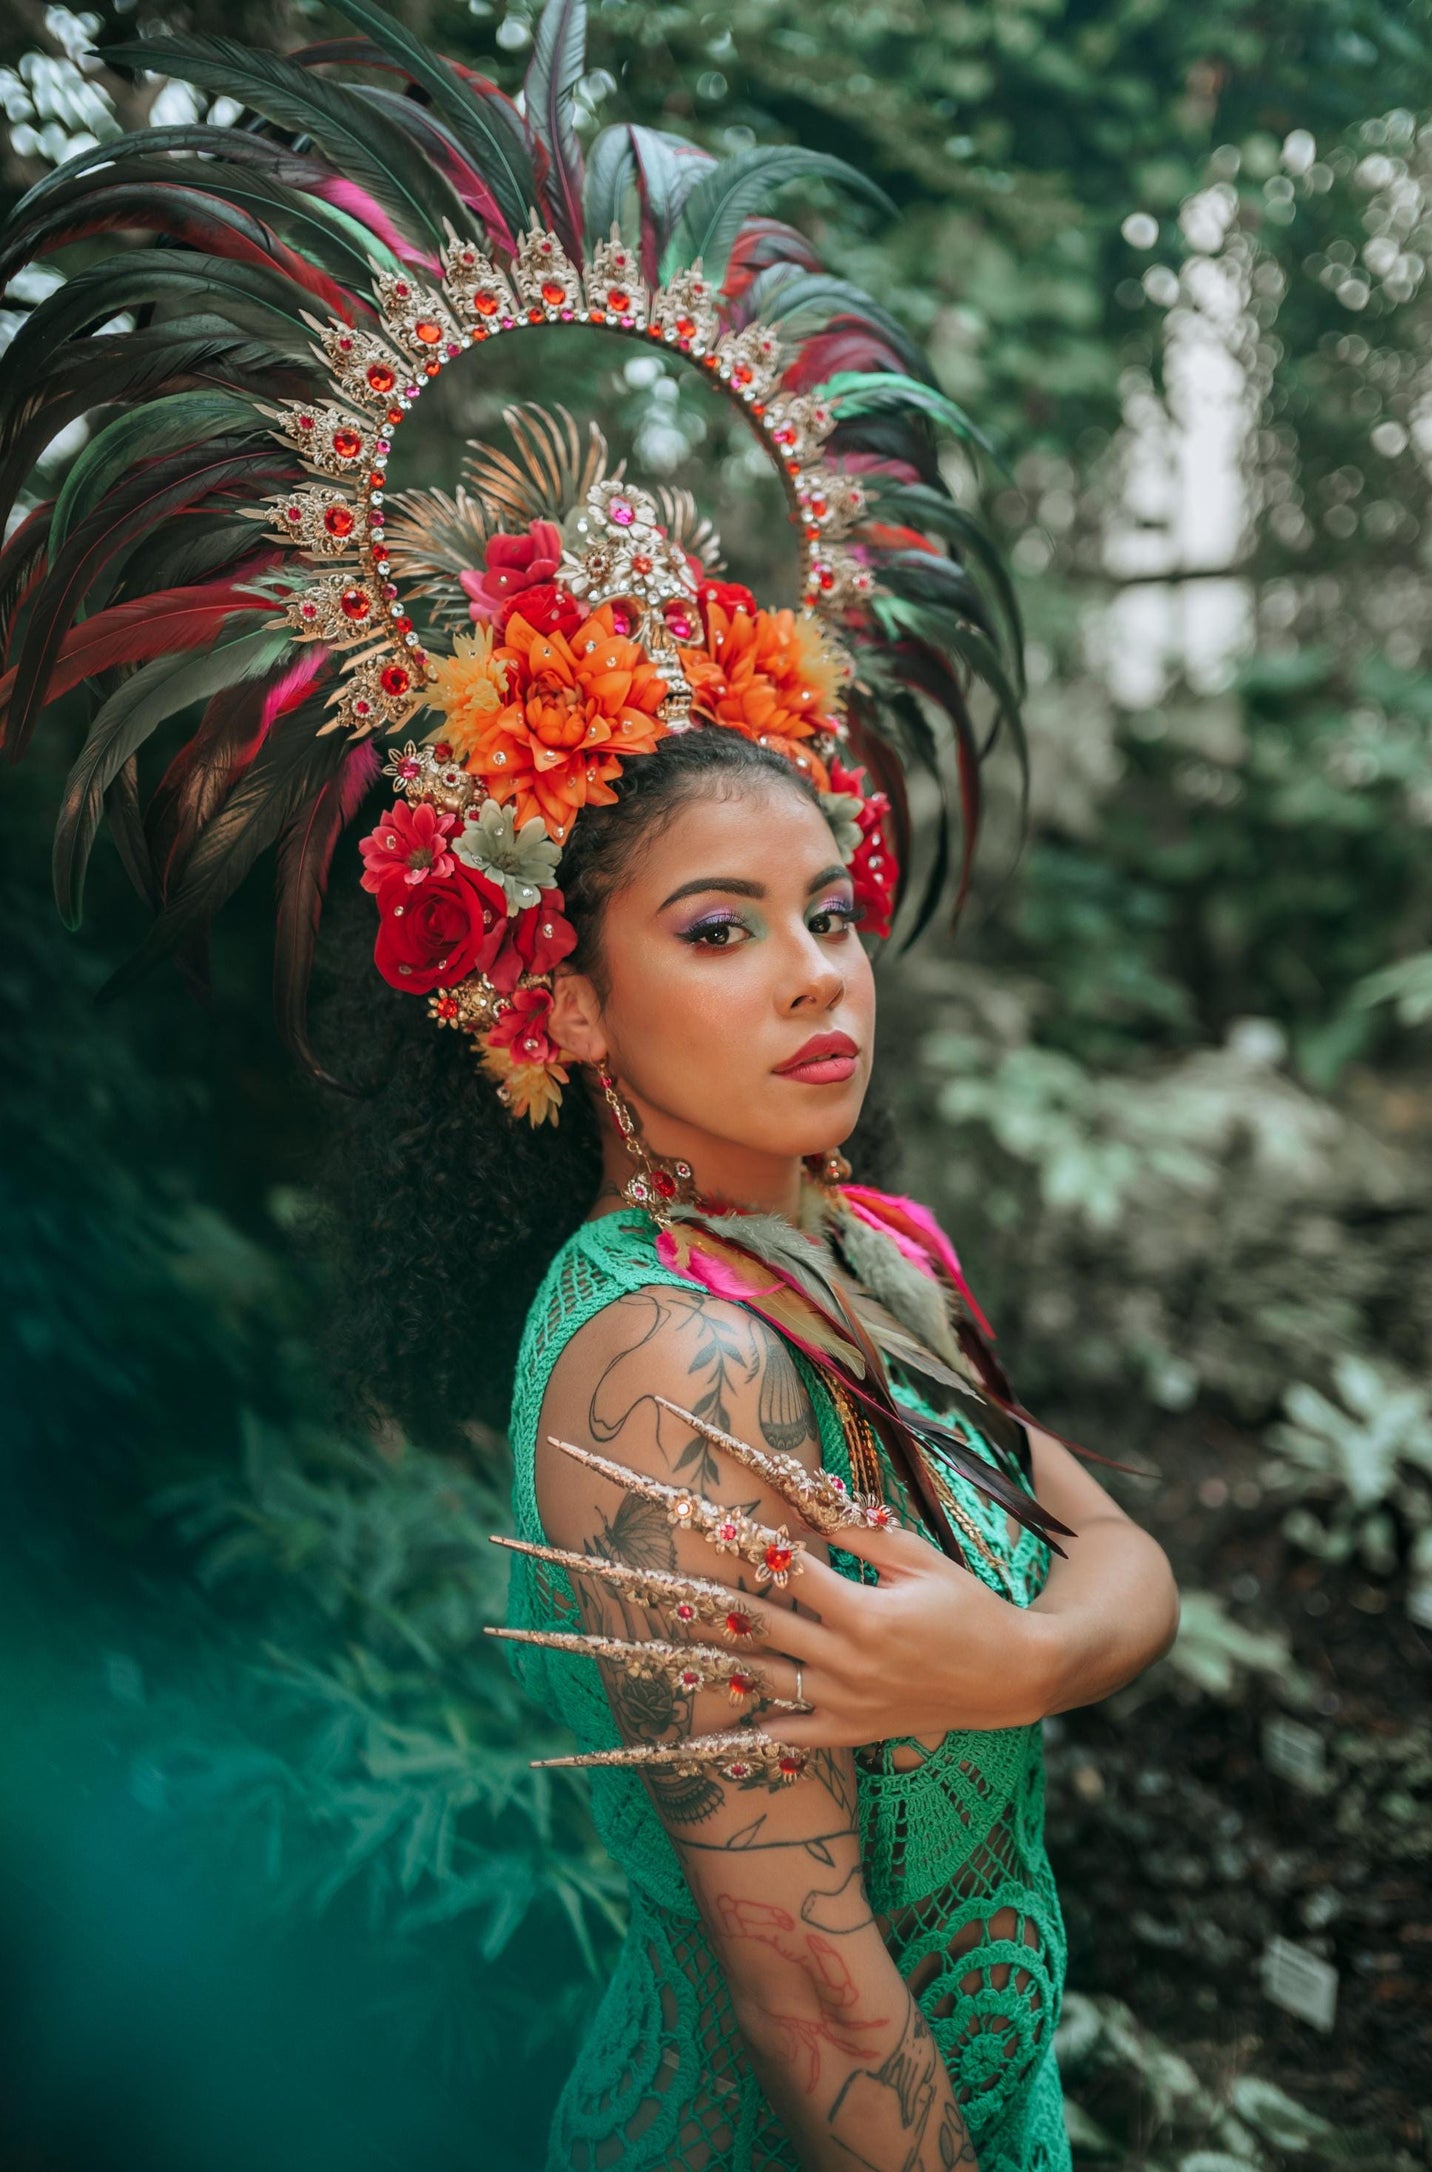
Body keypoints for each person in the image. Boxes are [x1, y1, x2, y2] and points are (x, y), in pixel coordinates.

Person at [0, 0, 1179, 2164]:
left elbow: (1130, 1562)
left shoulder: (857, 1251)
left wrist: (994, 1666)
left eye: (827, 907)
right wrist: (1012, 1656)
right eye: (718, 931)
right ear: (552, 1011)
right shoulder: (670, 1362)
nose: (824, 973)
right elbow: (804, 1987)